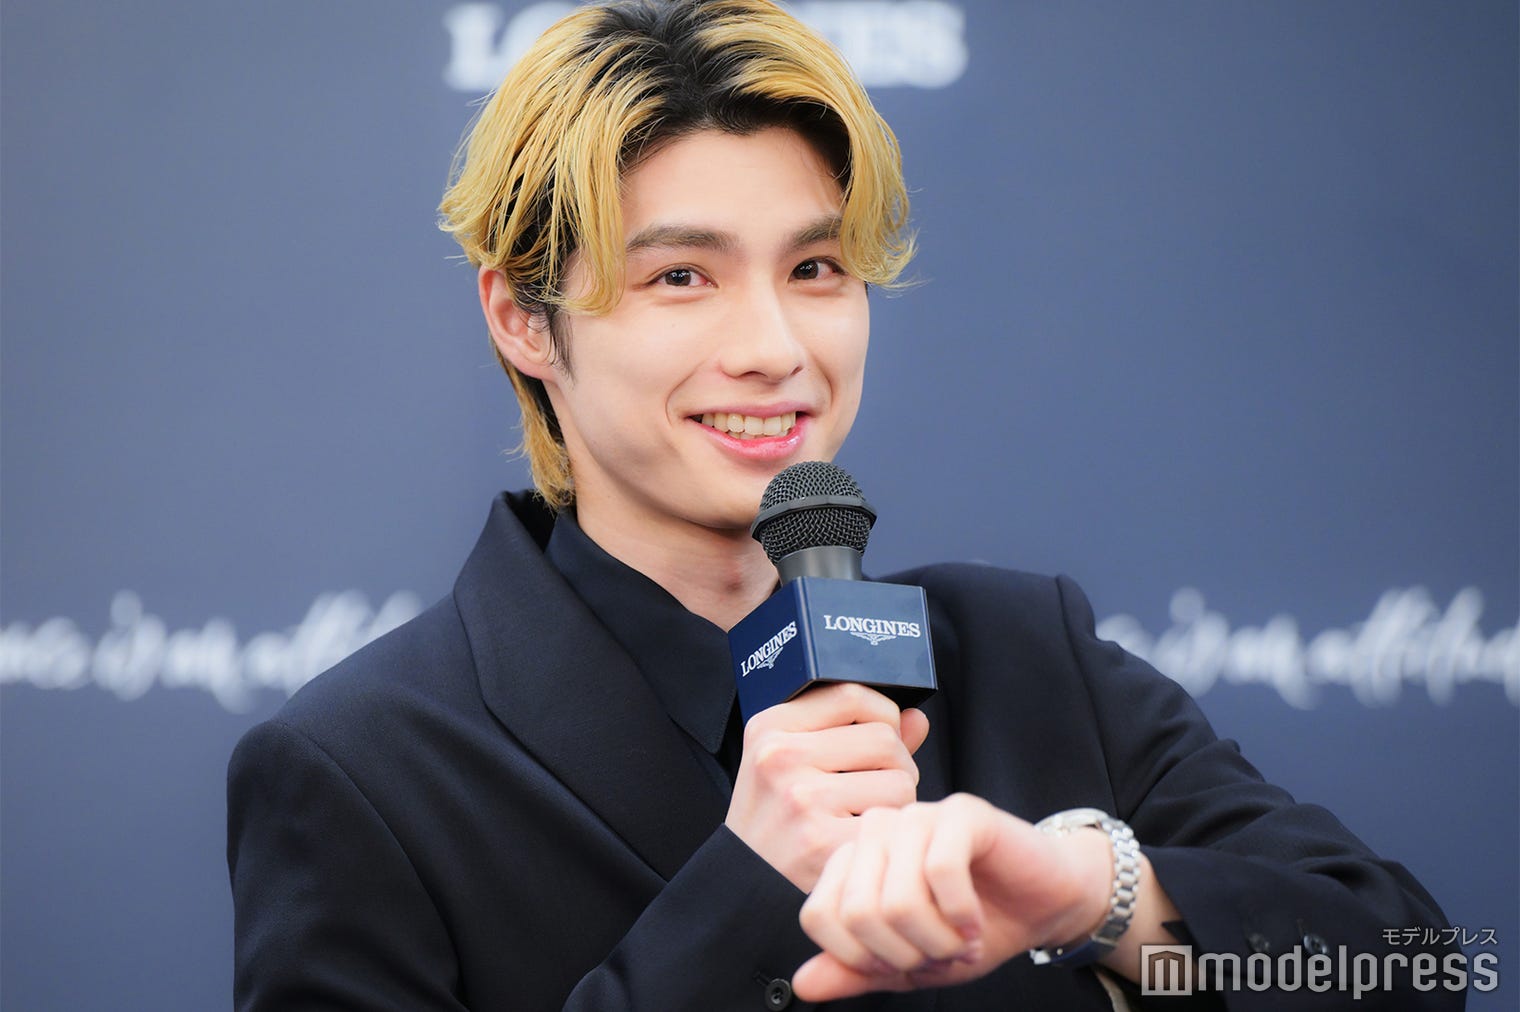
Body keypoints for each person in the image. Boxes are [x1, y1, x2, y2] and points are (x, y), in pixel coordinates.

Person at [227, 1, 1459, 1008]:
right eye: (681, 276)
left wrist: (1096, 895)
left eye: (814, 268)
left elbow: (1405, 968)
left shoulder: (1025, 657)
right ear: (522, 320)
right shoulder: (360, 769)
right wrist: (747, 886)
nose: (774, 346)